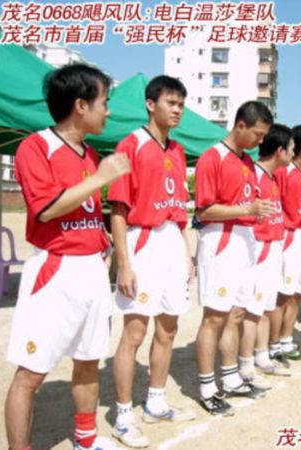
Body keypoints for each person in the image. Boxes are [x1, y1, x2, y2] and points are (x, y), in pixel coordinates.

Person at [5, 64, 130, 450]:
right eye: (104, 102)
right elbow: (45, 210)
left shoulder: (90, 154)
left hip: (91, 270)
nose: (108, 111)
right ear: (81, 105)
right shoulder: (36, 146)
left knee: (89, 360)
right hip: (55, 269)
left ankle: (86, 440)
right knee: (31, 374)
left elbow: (85, 208)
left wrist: (104, 240)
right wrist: (101, 178)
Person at [108, 76, 195, 447]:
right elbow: (118, 209)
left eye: (181, 104)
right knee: (134, 333)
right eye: (170, 103)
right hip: (142, 242)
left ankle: (156, 402)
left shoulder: (177, 150)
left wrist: (186, 252)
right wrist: (124, 263)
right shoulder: (131, 144)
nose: (177, 110)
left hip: (172, 242)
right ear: (150, 104)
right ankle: (123, 415)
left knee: (169, 328)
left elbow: (179, 212)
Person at [194, 101, 275, 415]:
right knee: (214, 317)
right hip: (221, 241)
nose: (260, 141)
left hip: (245, 240)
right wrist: (248, 209)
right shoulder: (212, 157)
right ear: (240, 125)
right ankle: (207, 387)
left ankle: (230, 378)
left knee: (237, 314)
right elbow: (204, 210)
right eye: (257, 134)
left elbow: (246, 202)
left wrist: (254, 210)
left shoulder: (247, 162)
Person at [238, 124, 295, 385]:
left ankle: (261, 355)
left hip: (273, 247)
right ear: (280, 150)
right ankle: (245, 364)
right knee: (253, 309)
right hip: (259, 247)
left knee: (264, 307)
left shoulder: (272, 177)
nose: (293, 153)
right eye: (291, 148)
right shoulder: (254, 174)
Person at [270, 125, 301, 365]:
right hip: (288, 238)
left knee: (298, 293)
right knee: (283, 295)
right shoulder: (283, 172)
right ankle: (273, 345)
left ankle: (286, 339)